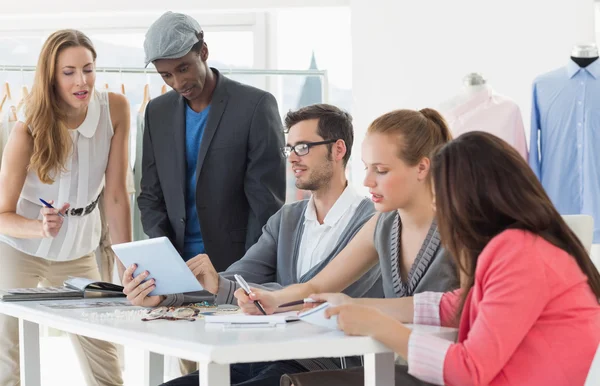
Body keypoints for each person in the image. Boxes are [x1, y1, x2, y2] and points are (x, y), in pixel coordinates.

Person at [282, 131, 600, 386]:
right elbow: (454, 305)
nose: (440, 208)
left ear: (471, 195)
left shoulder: (519, 253)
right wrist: (353, 305)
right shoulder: (520, 246)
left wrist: (378, 325)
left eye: (441, 196)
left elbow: (469, 370)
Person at [123, 104, 383, 386]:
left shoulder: (372, 224)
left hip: (322, 366)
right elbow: (236, 278)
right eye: (290, 149)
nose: (293, 158)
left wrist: (227, 287)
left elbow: (319, 299)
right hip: (261, 354)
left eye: (303, 147)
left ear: (338, 150)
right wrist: (164, 296)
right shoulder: (287, 219)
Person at [236, 108, 460, 383]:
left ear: (422, 168)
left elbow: (470, 313)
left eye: (381, 170)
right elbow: (317, 286)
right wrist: (274, 300)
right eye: (367, 168)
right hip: (394, 371)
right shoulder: (383, 224)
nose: (367, 181)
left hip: (448, 373)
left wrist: (361, 309)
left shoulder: (461, 230)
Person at [0, 30, 131, 386]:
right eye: (69, 72)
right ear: (51, 76)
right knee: (7, 356)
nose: (82, 81)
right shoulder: (27, 129)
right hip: (19, 250)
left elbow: (116, 195)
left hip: (79, 251)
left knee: (103, 356)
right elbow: (2, 215)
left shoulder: (115, 109)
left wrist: (127, 271)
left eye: (88, 69)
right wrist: (38, 227)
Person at [137, 11, 286, 273]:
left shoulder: (255, 106)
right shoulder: (156, 112)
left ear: (203, 51)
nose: (178, 82)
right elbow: (150, 193)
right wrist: (164, 256)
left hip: (237, 265)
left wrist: (247, 269)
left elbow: (266, 203)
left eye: (184, 68)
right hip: (176, 264)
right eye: (166, 75)